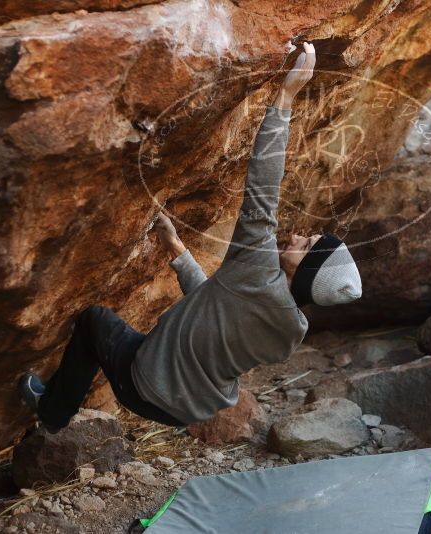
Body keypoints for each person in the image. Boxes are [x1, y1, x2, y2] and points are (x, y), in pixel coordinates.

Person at [19, 42, 362, 432]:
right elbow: (213, 306)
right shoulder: (290, 329)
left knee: (94, 321)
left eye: (308, 244)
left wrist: (286, 96)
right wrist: (177, 249)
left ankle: (52, 412)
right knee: (131, 339)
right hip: (184, 412)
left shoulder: (258, 272)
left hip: (143, 384)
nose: (299, 236)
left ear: (305, 272)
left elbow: (262, 191)